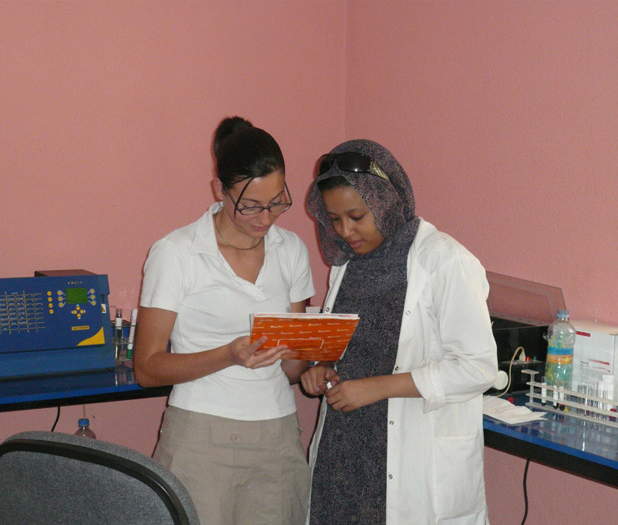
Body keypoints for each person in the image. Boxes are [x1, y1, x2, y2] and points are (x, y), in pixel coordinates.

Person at [300, 140, 498, 524]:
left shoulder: (446, 261)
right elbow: (349, 343)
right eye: (335, 219)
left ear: (386, 201)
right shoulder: (346, 264)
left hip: (412, 460)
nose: (346, 231)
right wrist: (322, 365)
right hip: (344, 457)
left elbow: (478, 368)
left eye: (356, 216)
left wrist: (376, 387)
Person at [134, 116, 314, 524]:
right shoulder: (176, 253)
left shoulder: (291, 250)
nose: (265, 219)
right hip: (200, 435)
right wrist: (230, 355)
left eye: (276, 203)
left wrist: (314, 351)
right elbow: (147, 368)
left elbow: (292, 369)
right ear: (219, 190)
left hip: (277, 434)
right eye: (250, 205)